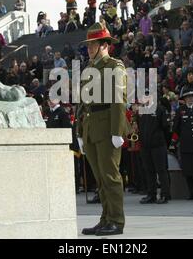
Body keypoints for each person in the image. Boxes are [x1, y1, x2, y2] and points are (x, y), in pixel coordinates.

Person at [77, 22, 130, 236]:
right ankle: (106, 218)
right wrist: (80, 131)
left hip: (108, 128)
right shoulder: (89, 68)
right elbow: (82, 103)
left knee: (110, 176)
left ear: (104, 45)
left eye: (93, 44)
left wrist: (118, 130)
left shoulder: (114, 67)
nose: (89, 48)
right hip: (91, 129)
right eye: (88, 45)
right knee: (100, 179)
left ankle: (116, 221)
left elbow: (119, 100)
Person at [138, 90, 171, 204]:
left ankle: (165, 194)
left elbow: (166, 128)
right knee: (149, 170)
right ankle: (151, 194)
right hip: (145, 146)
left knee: (161, 170)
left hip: (158, 145)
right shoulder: (142, 110)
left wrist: (163, 142)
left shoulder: (160, 109)